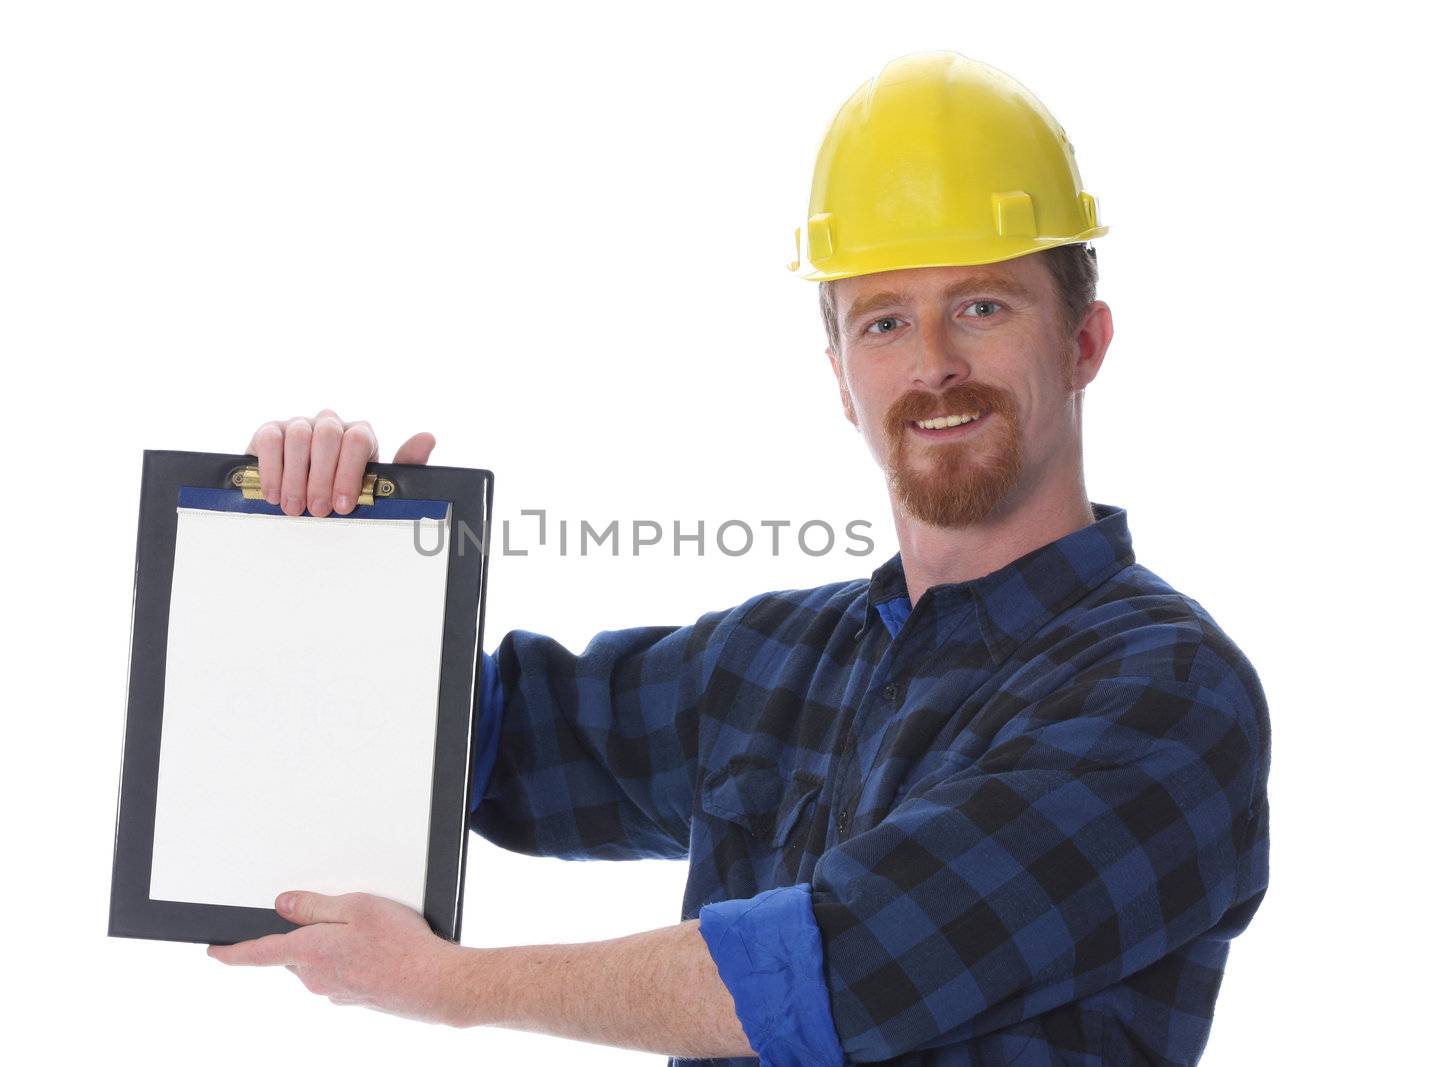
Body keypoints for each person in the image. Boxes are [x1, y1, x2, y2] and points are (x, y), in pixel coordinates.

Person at [208, 52, 1271, 1066]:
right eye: (886, 321)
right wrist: (331, 550)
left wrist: (448, 983)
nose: (934, 366)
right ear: (840, 377)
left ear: (1083, 341)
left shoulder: (1166, 693)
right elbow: (480, 743)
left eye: (982, 306)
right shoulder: (779, 660)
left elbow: (834, 968)